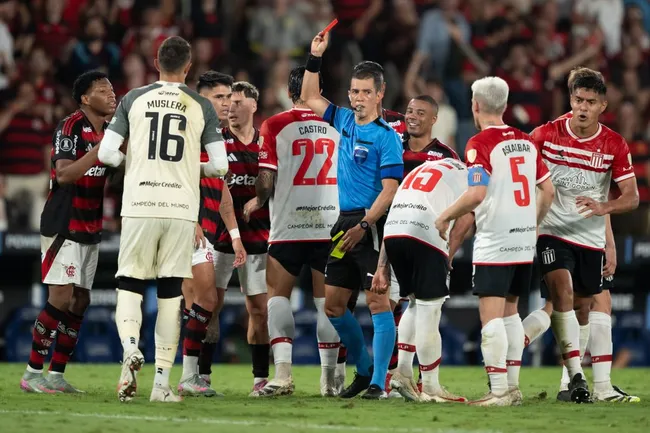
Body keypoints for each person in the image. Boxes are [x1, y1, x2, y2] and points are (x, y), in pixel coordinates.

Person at [98, 36, 229, 403]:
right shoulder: (201, 104)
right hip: (180, 210)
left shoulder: (133, 98)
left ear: (156, 62)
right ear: (188, 67)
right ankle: (160, 384)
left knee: (129, 285)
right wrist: (191, 167)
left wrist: (134, 163)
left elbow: (108, 154)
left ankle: (129, 348)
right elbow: (220, 166)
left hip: (139, 204)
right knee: (171, 295)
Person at [435, 76, 555, 406]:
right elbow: (548, 190)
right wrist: (533, 221)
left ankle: (499, 391)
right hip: (523, 242)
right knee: (511, 315)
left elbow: (476, 193)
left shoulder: (479, 144)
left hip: (496, 241)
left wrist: (445, 215)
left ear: (475, 105)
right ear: (503, 105)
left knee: (491, 319)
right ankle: (512, 387)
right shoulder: (527, 142)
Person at [301, 31, 403, 399]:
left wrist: (365, 225)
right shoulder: (343, 120)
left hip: (370, 223)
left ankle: (379, 382)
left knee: (378, 299)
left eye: (365, 92)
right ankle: (362, 368)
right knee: (333, 304)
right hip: (344, 221)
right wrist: (315, 57)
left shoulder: (386, 137)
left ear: (380, 94)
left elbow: (390, 190)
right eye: (354, 91)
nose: (358, 98)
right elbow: (309, 96)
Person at [528, 68, 640, 403]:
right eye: (578, 99)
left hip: (589, 239)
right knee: (561, 290)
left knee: (584, 307)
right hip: (551, 232)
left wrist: (605, 210)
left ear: (602, 105)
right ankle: (578, 377)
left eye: (591, 102)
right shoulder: (544, 135)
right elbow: (520, 173)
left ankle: (576, 384)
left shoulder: (613, 145)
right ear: (571, 99)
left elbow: (632, 197)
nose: (583, 107)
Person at [242, 66, 342, 397]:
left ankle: (283, 374)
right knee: (325, 303)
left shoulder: (275, 125)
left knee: (278, 296)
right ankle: (329, 380)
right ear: (319, 89)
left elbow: (267, 180)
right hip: (329, 225)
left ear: (289, 91)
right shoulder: (337, 124)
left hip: (288, 226)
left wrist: (258, 198)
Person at [20, 71, 116, 394]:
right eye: (103, 90)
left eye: (112, 89)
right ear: (86, 99)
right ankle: (33, 373)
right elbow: (63, 175)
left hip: (91, 226)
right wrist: (99, 152)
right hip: (64, 224)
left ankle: (56, 374)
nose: (111, 94)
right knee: (60, 297)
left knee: (80, 300)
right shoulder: (71, 126)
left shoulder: (111, 132)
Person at [373, 157, 469, 403]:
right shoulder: (472, 174)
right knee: (430, 309)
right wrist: (448, 254)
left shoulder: (421, 169)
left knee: (414, 303)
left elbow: (394, 211)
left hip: (393, 232)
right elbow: (467, 219)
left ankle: (402, 373)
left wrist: (382, 266)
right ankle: (431, 386)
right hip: (424, 232)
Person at [177, 71, 247, 397]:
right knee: (201, 300)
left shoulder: (215, 137)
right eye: (220, 97)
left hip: (203, 228)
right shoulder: (188, 131)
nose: (228, 103)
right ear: (201, 97)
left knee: (198, 301)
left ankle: (189, 377)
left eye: (230, 97)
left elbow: (223, 195)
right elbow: (174, 178)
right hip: (183, 226)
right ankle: (186, 376)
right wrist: (190, 220)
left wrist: (234, 235)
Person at [210, 81, 271, 396]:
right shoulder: (216, 141)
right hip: (219, 236)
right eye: (228, 102)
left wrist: (259, 200)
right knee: (211, 305)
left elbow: (273, 184)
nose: (230, 107)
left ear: (253, 106)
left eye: (237, 102)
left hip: (258, 236)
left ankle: (260, 379)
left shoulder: (266, 143)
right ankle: (201, 375)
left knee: (259, 309)